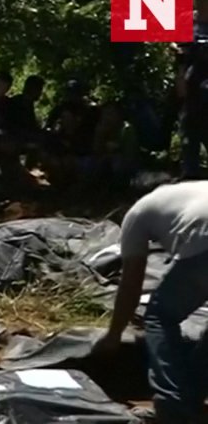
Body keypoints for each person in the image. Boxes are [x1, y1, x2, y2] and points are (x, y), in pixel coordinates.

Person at [93, 180, 208, 424]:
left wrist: (114, 334)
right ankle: (192, 396)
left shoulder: (138, 213)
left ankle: (173, 403)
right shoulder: (191, 191)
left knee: (160, 316)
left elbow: (131, 283)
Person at [177, 0, 208, 180]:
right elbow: (180, 54)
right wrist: (180, 78)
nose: (200, 2)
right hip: (193, 82)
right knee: (190, 129)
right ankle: (190, 172)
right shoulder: (189, 23)